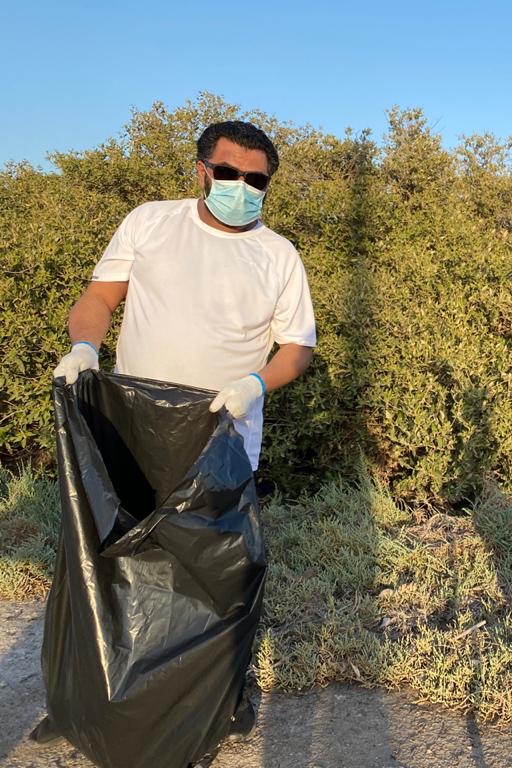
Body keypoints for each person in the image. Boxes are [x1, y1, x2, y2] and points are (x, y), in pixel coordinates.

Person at [45, 120, 316, 761]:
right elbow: (99, 298)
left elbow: (297, 348)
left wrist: (255, 383)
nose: (241, 187)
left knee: (216, 576)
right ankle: (91, 698)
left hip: (223, 437)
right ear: (201, 170)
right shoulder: (151, 223)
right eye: (228, 173)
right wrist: (84, 346)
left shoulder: (278, 254)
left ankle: (220, 697)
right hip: (135, 428)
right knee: (115, 562)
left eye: (256, 180)